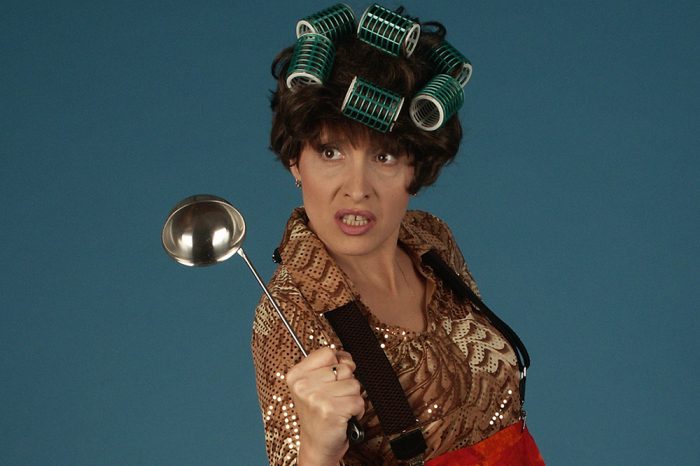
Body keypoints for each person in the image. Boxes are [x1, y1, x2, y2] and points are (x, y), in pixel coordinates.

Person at [251, 4, 544, 465]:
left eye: (384, 156)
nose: (357, 189)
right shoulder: (289, 316)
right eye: (330, 152)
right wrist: (317, 449)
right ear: (295, 161)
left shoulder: (432, 240)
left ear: (417, 167)